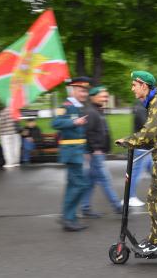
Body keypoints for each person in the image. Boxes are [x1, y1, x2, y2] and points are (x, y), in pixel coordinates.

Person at [116, 70, 157, 254]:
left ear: (144, 86)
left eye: (134, 85)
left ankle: (156, 241)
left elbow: (152, 130)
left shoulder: (156, 102)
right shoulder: (155, 101)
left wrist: (128, 140)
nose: (132, 89)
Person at [51, 77, 92, 232]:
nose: (84, 94)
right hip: (71, 152)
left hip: (77, 152)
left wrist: (86, 150)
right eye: (82, 90)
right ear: (73, 90)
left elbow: (80, 133)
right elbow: (55, 123)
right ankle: (68, 217)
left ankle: (69, 217)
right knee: (80, 185)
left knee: (73, 185)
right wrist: (74, 122)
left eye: (85, 91)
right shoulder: (66, 106)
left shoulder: (77, 107)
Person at [80, 85, 122, 217]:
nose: (105, 97)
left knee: (90, 182)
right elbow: (88, 133)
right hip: (96, 153)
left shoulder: (98, 110)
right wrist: (94, 149)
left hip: (98, 152)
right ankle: (118, 206)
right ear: (93, 96)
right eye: (102, 95)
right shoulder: (91, 112)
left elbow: (102, 131)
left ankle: (85, 208)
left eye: (106, 95)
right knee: (105, 179)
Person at [127, 100, 153, 207]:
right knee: (135, 174)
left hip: (145, 147)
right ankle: (130, 197)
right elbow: (147, 127)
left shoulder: (140, 106)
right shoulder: (142, 109)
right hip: (141, 147)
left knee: (154, 170)